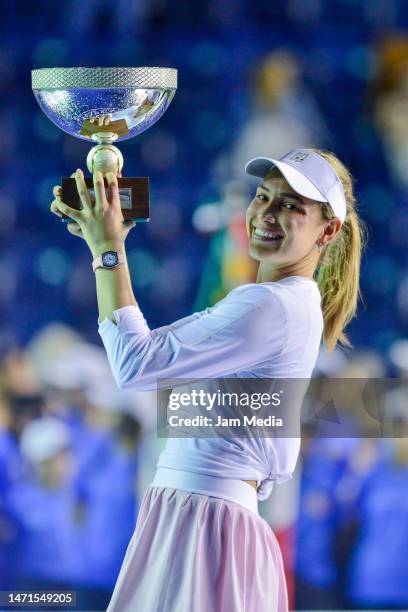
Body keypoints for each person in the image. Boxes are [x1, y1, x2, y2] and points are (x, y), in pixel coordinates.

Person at [50, 148, 364, 612]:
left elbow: (134, 363)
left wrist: (108, 252)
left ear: (328, 230)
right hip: (200, 515)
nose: (266, 213)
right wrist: (105, 241)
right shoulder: (278, 303)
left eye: (290, 206)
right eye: (263, 196)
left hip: (206, 522)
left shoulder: (270, 306)